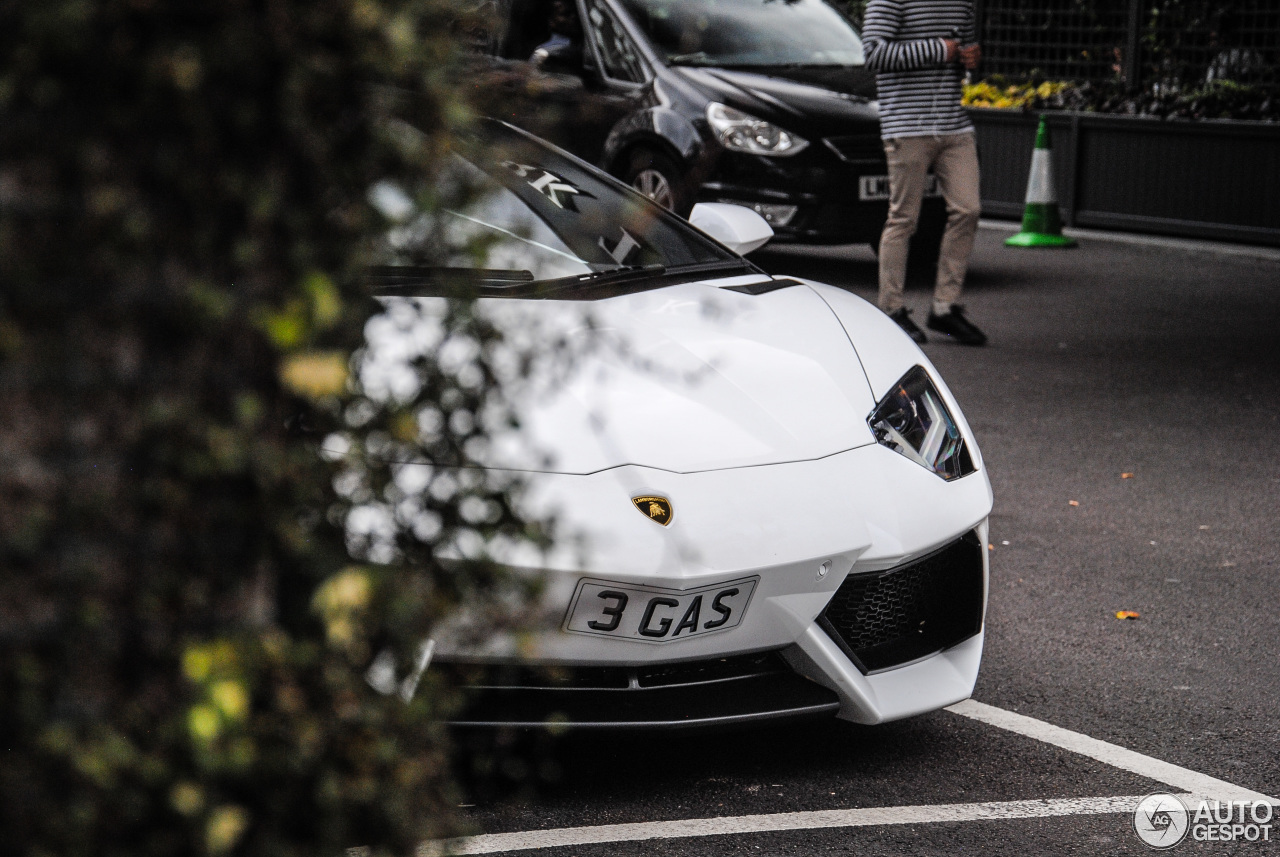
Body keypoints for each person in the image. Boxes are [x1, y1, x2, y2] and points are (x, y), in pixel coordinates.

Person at [862, 0, 987, 346]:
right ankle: (891, 309)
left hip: (954, 124)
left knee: (968, 209)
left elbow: (961, 53)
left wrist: (971, 58)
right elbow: (873, 53)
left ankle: (945, 308)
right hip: (906, 124)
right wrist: (937, 49)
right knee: (903, 218)